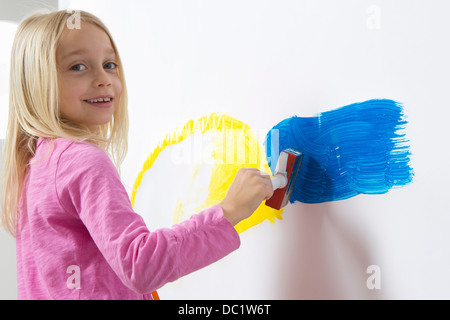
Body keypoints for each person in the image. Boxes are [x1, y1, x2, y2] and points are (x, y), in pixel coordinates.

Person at [0, 10, 273, 300]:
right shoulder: (82, 162)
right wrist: (229, 211)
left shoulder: (38, 163)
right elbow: (139, 265)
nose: (103, 79)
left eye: (109, 64)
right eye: (78, 66)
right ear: (37, 83)